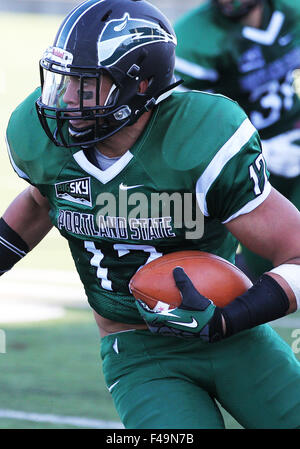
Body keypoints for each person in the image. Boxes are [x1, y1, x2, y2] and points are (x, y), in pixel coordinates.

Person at [2, 0, 300, 429]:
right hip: (137, 350)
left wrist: (227, 320)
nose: (66, 98)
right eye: (64, 80)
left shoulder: (200, 135)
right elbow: (37, 202)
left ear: (138, 85)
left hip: (233, 332)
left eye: (85, 84)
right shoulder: (43, 140)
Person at [175, 0, 300, 280]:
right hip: (237, 148)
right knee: (265, 262)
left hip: (291, 130)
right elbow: (182, 121)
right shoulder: (196, 36)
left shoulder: (291, 12)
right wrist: (248, 151)